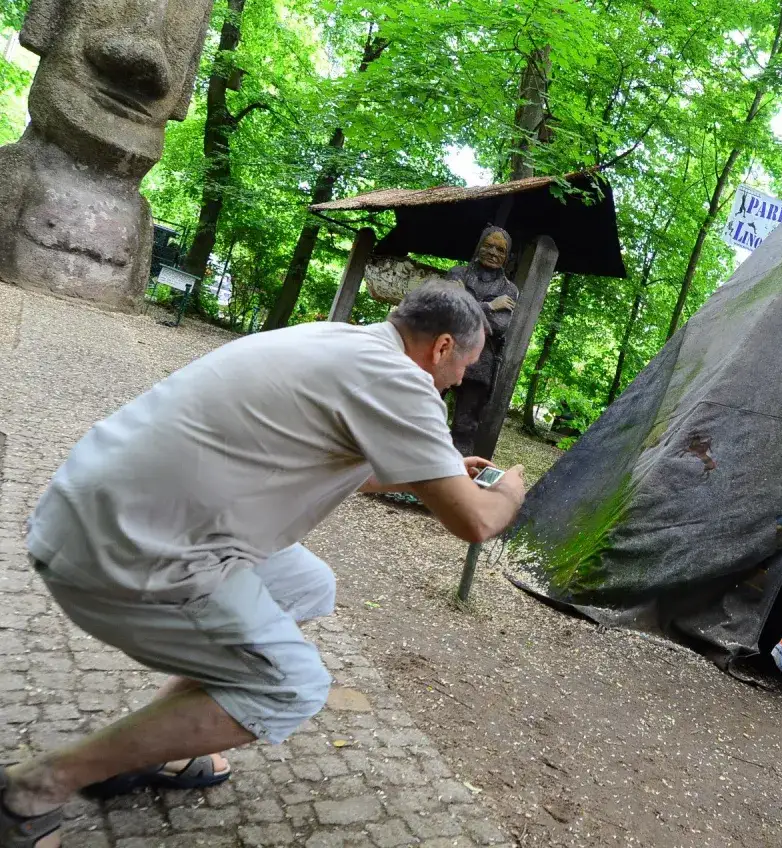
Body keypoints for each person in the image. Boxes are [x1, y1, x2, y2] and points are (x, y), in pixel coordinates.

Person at [0, 283, 526, 848]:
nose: (461, 381)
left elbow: (358, 468)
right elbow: (475, 523)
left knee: (306, 585)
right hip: (130, 551)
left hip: (94, 511)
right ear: (442, 347)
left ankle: (145, 747)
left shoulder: (337, 340)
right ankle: (35, 789)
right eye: (466, 366)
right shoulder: (401, 380)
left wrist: (437, 472)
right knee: (291, 688)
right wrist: (513, 493)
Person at [446, 226, 519, 456]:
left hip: (480, 364)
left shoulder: (509, 289)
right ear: (480, 246)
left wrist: (466, 301)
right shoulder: (457, 273)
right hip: (445, 354)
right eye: (488, 245)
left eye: (500, 249)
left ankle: (456, 479)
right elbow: (448, 312)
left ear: (507, 256)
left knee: (464, 428)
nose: (493, 252)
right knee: (422, 414)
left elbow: (498, 326)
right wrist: (489, 305)